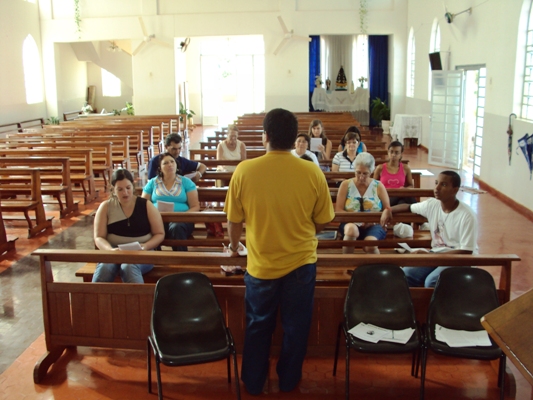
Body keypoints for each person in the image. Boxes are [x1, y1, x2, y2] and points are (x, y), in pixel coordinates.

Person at [224, 108, 335, 395]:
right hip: (301, 265)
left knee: (258, 326)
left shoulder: (245, 170)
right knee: (296, 329)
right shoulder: (311, 170)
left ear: (265, 137)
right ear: (294, 138)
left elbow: (233, 221)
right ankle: (288, 380)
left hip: (261, 266)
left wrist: (236, 247)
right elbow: (324, 221)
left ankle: (253, 381)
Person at [391, 171, 478, 288]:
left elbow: (466, 251)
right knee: (407, 273)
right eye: (436, 183)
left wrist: (430, 256)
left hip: (458, 259)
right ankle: (416, 305)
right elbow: (408, 206)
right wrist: (388, 210)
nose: (436, 188)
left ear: (455, 190)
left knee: (432, 281)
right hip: (436, 254)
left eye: (444, 185)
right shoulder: (432, 205)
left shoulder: (467, 215)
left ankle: (438, 306)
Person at [93, 169, 165, 283]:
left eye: (128, 188)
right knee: (104, 268)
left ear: (133, 186)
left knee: (129, 267)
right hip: (114, 252)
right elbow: (99, 237)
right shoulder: (106, 207)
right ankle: (96, 300)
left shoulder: (146, 205)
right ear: (113, 189)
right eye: (120, 189)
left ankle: (139, 301)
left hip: (142, 253)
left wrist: (145, 246)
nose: (125, 193)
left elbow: (159, 233)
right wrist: (110, 250)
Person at [142, 152, 200, 251]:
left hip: (182, 222)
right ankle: (155, 259)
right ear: (160, 167)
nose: (170, 165)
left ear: (176, 165)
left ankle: (180, 259)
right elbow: (143, 205)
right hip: (158, 219)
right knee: (152, 226)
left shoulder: (186, 182)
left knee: (176, 227)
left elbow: (195, 206)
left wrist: (182, 217)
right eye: (165, 163)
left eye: (172, 162)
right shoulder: (153, 183)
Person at [336, 152, 392, 254]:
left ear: (371, 171)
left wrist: (373, 221)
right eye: (358, 172)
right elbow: (338, 209)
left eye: (365, 173)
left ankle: (376, 269)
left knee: (370, 245)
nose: (361, 177)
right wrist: (356, 220)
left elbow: (387, 209)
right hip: (350, 223)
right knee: (351, 230)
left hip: (374, 224)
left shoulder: (378, 186)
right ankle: (347, 264)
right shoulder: (346, 185)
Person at [373, 140, 416, 206]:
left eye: (396, 153)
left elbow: (411, 185)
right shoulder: (380, 168)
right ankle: (418, 208)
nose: (393, 155)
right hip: (385, 198)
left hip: (399, 199)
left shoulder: (406, 168)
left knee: (402, 203)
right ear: (388, 153)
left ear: (401, 154)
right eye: (391, 152)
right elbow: (374, 186)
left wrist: (405, 189)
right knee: (404, 199)